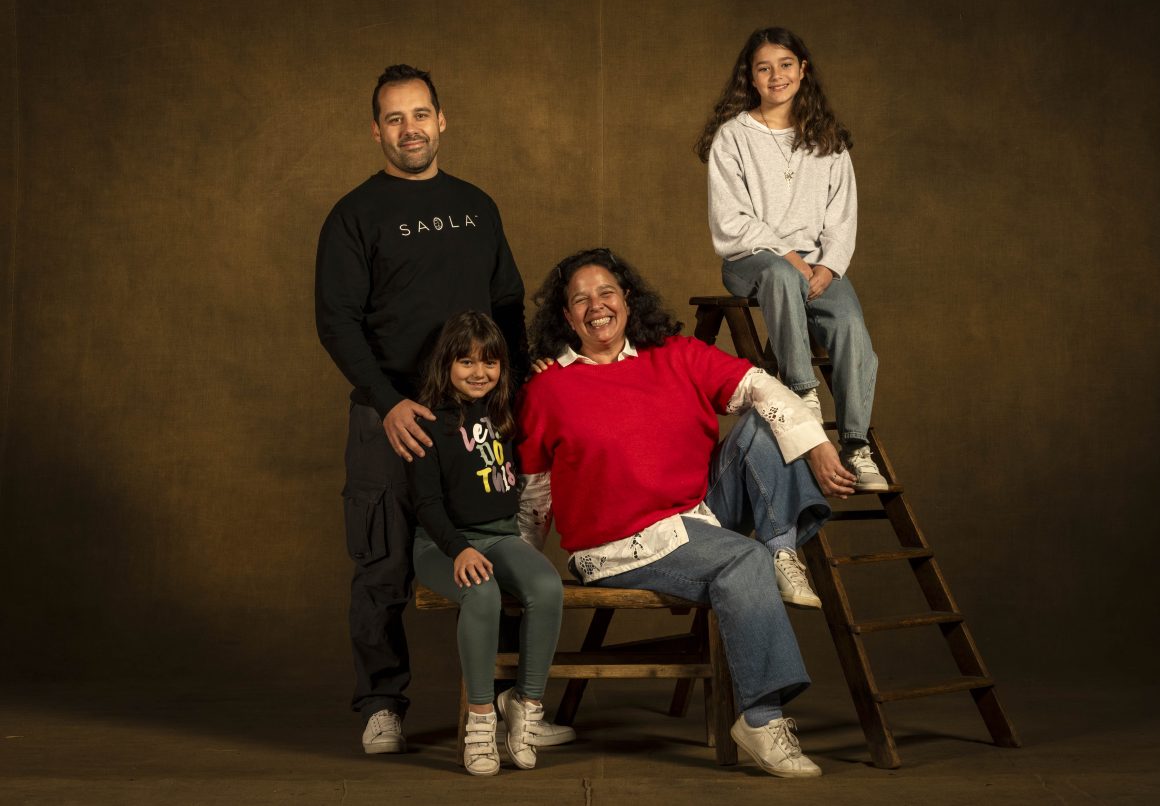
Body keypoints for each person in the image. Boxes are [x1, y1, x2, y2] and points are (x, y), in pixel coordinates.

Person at [515, 248, 858, 779]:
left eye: (606, 292)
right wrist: (519, 568)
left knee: (765, 418)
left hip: (696, 516)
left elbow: (762, 386)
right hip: (618, 545)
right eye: (580, 300)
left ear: (627, 299)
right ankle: (762, 720)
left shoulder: (675, 353)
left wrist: (816, 445)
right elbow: (535, 496)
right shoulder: (546, 389)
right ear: (566, 317)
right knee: (742, 561)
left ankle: (782, 548)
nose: (596, 306)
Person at [315, 64, 571, 755]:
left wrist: (518, 392)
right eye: (395, 118)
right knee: (382, 564)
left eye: (420, 114)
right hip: (390, 417)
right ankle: (381, 705)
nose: (410, 130)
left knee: (503, 550)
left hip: (476, 419)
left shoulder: (476, 206)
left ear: (442, 120)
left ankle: (515, 701)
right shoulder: (354, 215)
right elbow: (337, 322)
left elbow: (508, 302)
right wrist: (389, 402)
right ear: (376, 131)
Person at [695, 26, 888, 490]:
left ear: (803, 70)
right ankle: (804, 393)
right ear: (751, 77)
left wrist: (828, 265)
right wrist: (787, 256)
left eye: (785, 65)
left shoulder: (827, 139)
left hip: (818, 264)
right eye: (764, 68)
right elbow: (731, 220)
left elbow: (842, 215)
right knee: (780, 275)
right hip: (752, 258)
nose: (776, 75)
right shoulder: (733, 137)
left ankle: (856, 445)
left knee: (851, 327)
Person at [409, 312, 564, 776]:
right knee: (482, 592)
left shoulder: (504, 411)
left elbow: (543, 391)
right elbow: (426, 504)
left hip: (500, 536)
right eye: (467, 362)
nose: (479, 372)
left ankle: (525, 704)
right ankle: (480, 720)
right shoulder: (428, 421)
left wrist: (544, 369)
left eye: (490, 362)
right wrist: (458, 549)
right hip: (442, 546)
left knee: (547, 587)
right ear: (446, 364)